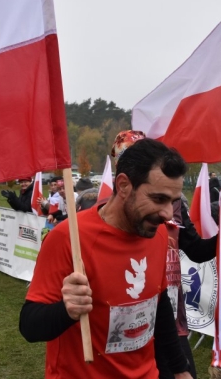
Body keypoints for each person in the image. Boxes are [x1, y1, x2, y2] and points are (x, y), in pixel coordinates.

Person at [19, 138, 192, 378]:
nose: (166, 213)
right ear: (123, 186)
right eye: (158, 199)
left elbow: (158, 302)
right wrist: (66, 310)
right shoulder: (69, 237)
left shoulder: (158, 232)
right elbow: (29, 326)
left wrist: (180, 369)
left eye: (172, 202)